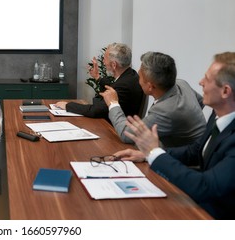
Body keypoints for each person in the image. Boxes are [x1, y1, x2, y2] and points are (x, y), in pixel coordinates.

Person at [114, 52, 235, 219]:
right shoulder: (217, 115)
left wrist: (155, 153)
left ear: (225, 91)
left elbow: (206, 187)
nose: (200, 82)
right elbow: (196, 150)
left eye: (207, 79)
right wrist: (148, 154)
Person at [101, 52, 206, 147]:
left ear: (150, 86)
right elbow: (200, 102)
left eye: (140, 77)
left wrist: (113, 103)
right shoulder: (181, 83)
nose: (138, 81)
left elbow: (126, 134)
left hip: (183, 161)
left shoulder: (165, 111)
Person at [55, 43, 144, 121]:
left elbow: (96, 110)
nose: (103, 62)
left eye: (104, 59)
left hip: (113, 132)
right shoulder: (131, 75)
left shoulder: (124, 85)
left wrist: (67, 106)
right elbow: (113, 86)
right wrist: (97, 77)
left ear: (114, 65)